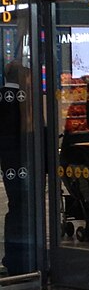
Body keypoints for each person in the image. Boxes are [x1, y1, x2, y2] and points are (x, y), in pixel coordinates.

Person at [0, 61, 31, 275]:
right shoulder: (22, 99)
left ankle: (12, 255)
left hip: (7, 159)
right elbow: (26, 129)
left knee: (15, 205)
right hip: (21, 159)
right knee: (23, 205)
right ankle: (21, 255)